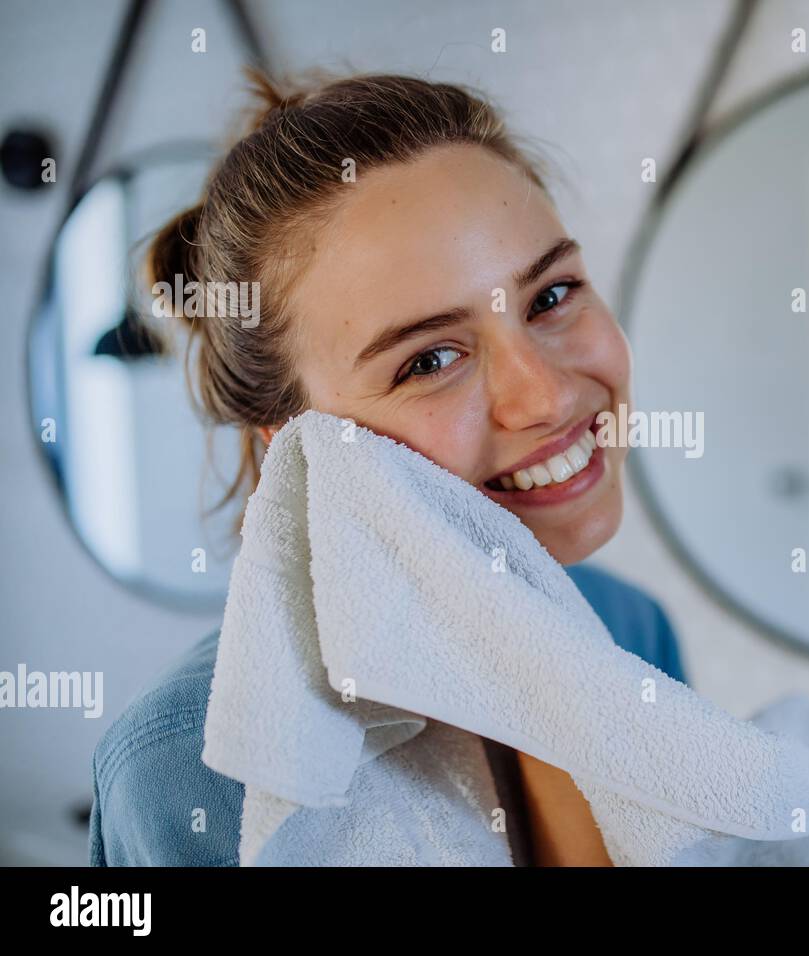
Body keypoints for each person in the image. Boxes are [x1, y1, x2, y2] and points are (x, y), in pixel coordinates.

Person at [89, 69, 687, 867]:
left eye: (550, 296)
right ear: (294, 444)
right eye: (431, 359)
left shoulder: (633, 630)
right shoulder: (192, 764)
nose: (542, 396)